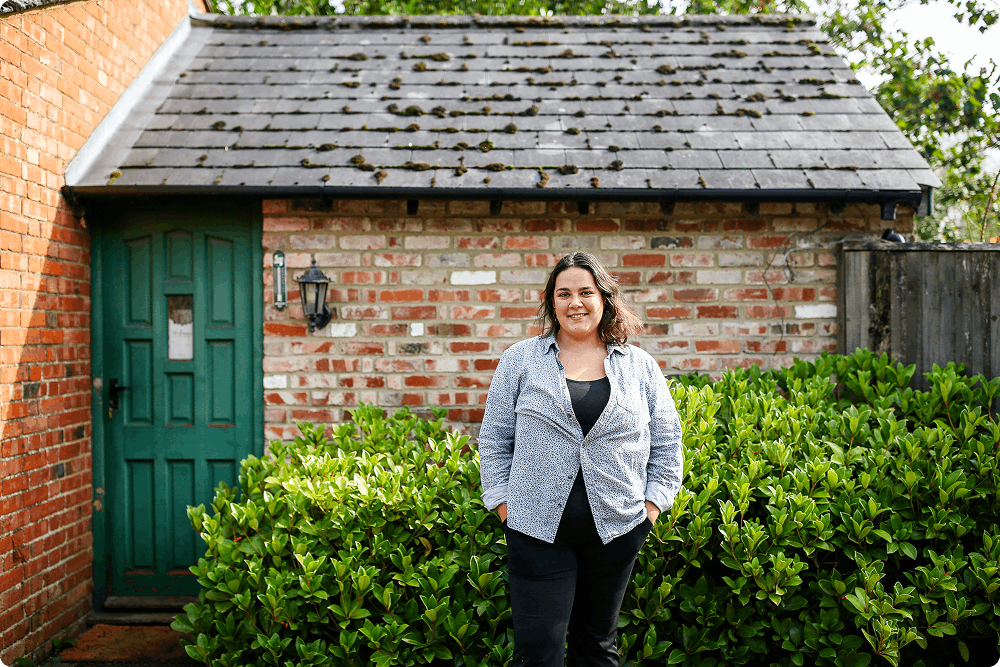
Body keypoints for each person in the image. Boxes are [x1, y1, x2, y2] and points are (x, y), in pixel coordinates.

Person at [478, 251, 684, 667]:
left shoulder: (640, 366)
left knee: (597, 649)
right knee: (539, 654)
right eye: (564, 293)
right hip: (536, 532)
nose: (576, 303)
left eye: (586, 292)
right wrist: (504, 506)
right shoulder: (520, 361)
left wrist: (650, 510)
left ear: (604, 299)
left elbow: (667, 443)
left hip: (617, 532)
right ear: (551, 302)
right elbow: (495, 440)